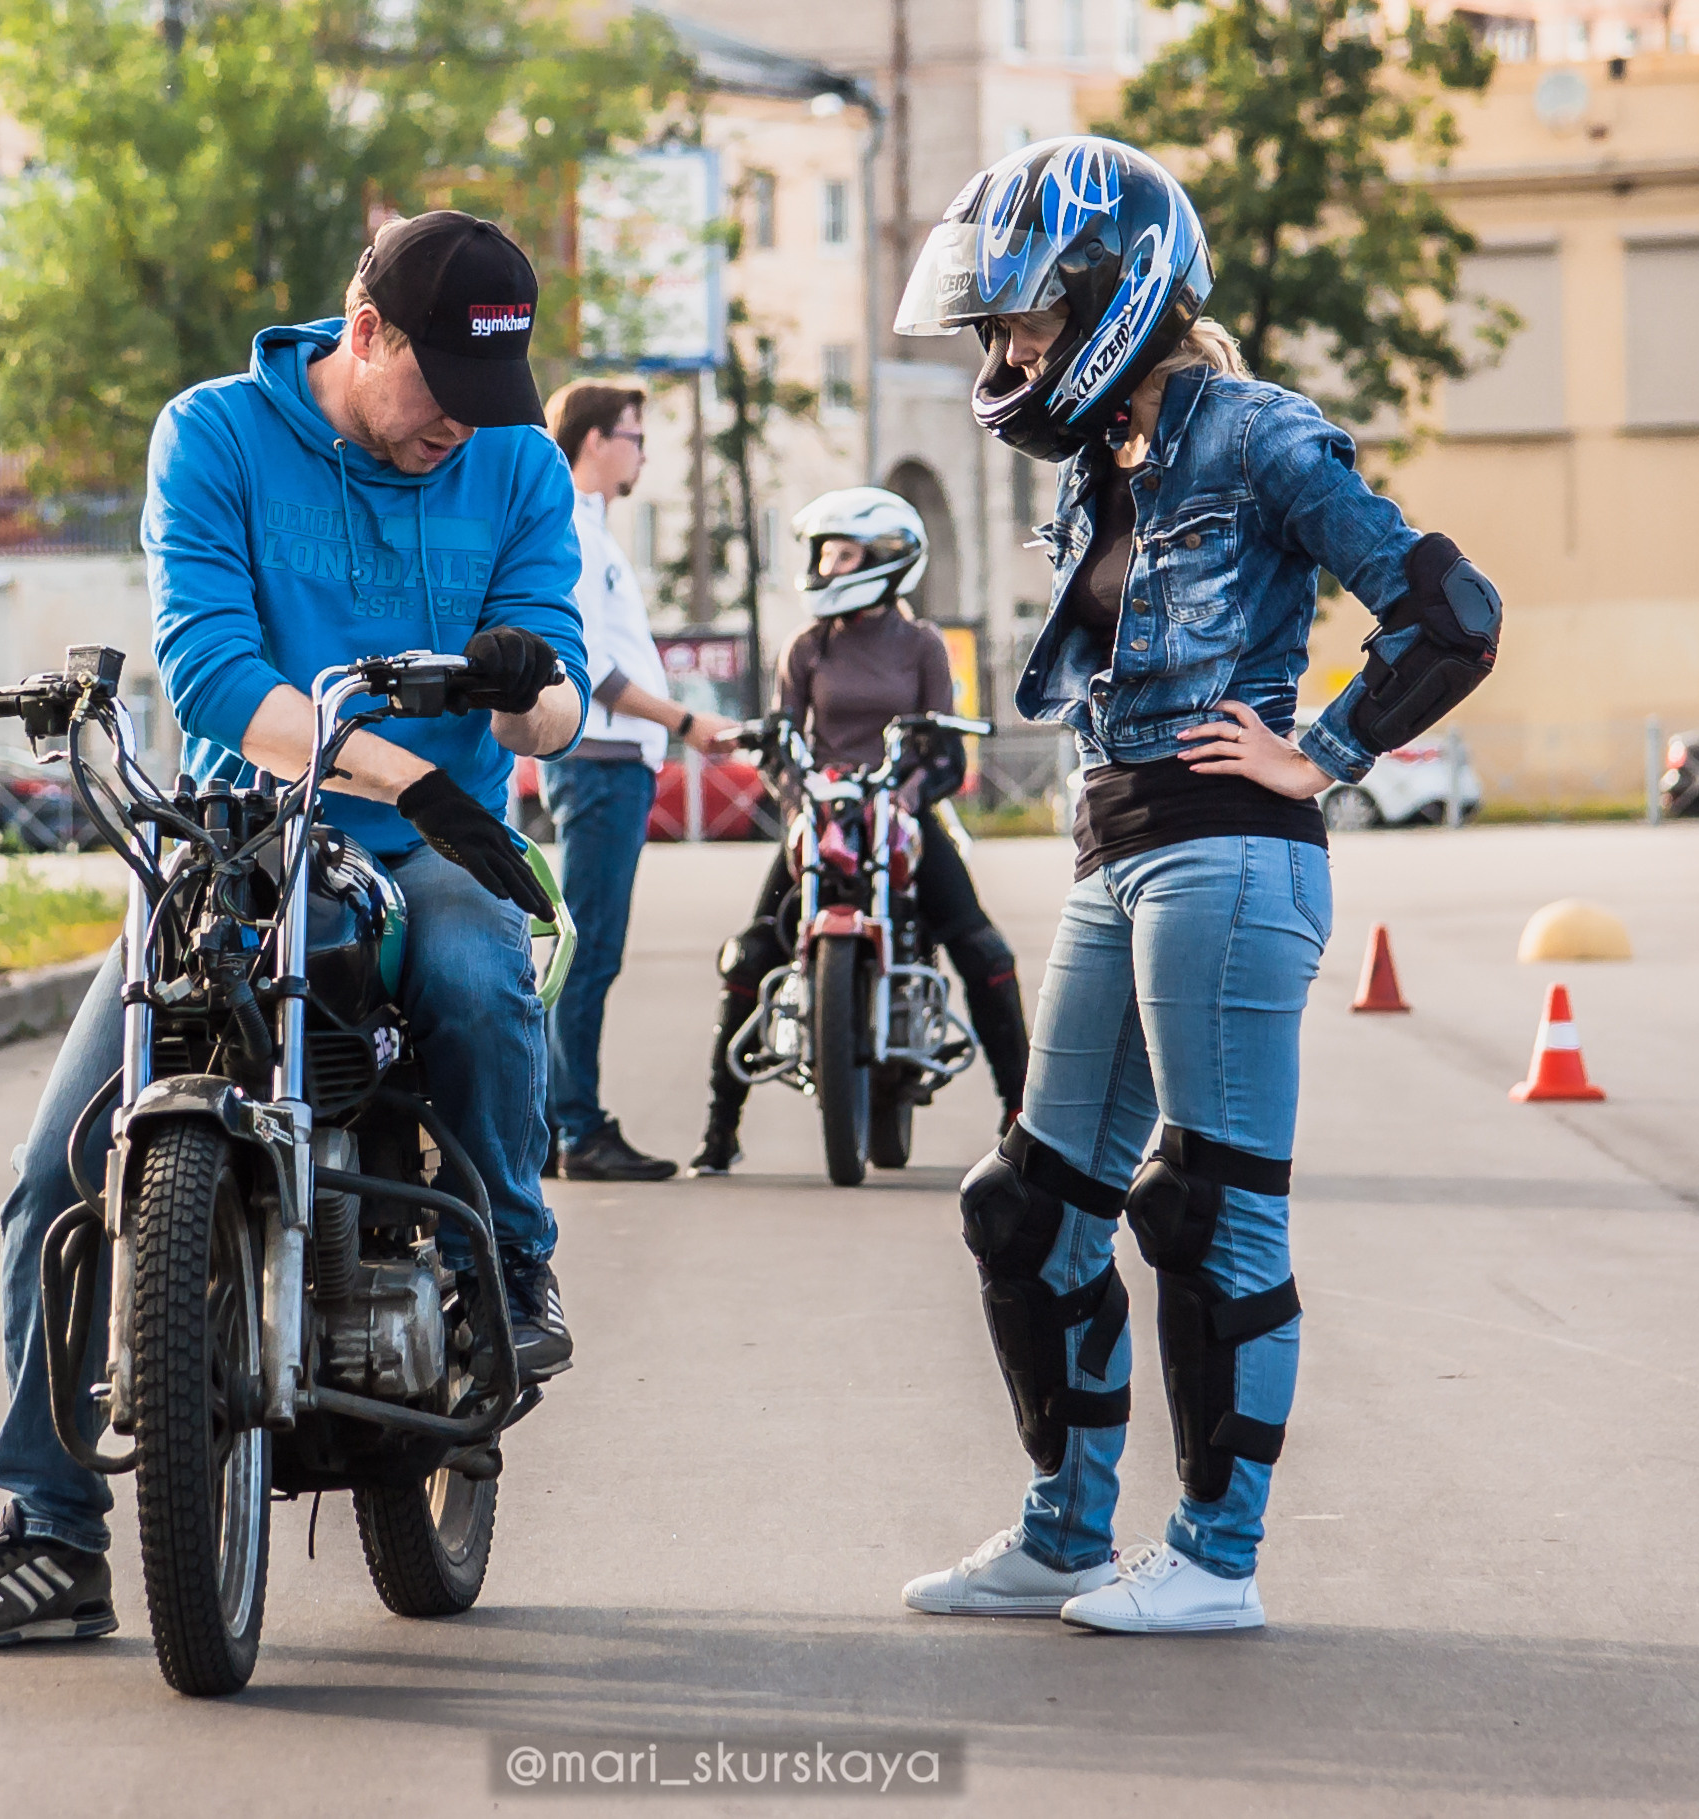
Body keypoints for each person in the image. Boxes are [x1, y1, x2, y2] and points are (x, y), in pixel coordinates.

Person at [0, 211, 595, 1650]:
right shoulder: (213, 434)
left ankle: (511, 1270)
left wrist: (530, 697)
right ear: (365, 335)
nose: (459, 435)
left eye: (488, 406)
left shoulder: (514, 460)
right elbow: (213, 671)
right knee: (58, 1167)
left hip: (439, 851)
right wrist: (400, 770)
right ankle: (49, 1529)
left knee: (474, 972)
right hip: (241, 847)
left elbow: (557, 692)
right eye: (439, 399)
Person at [890, 137, 1501, 1633]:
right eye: (993, 329)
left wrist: (1325, 747)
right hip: (1115, 846)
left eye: (1019, 321)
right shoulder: (1104, 463)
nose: (1001, 353)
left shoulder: (1258, 432)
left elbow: (1450, 610)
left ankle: (1216, 1561)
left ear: (1111, 295)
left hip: (1227, 852)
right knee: (1027, 1213)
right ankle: (1062, 1533)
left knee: (1206, 1208)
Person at [691, 487, 1031, 1175]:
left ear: (886, 560)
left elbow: (947, 755)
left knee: (983, 948)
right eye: (823, 553)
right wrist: (798, 807)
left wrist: (905, 797)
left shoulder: (921, 644)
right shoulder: (807, 646)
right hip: (821, 817)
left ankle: (1021, 1114)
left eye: (841, 554)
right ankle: (719, 1130)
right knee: (751, 952)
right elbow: (782, 745)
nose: (826, 567)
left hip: (900, 814)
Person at [539, 380, 738, 1182]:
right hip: (600, 764)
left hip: (612, 764)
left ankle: (558, 1123)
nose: (643, 452)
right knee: (585, 952)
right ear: (594, 442)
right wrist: (685, 722)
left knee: (586, 949)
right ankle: (572, 1127)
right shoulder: (573, 532)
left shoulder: (592, 528)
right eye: (634, 436)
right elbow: (592, 666)